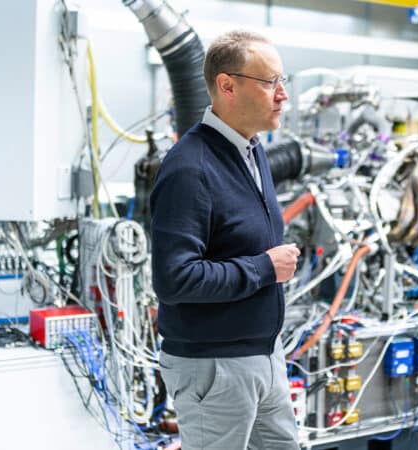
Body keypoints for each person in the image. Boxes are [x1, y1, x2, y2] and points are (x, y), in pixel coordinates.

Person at [150, 30, 300, 450]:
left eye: (284, 81)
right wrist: (264, 268)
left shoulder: (252, 152)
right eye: (270, 82)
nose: (283, 95)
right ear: (227, 85)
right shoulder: (190, 168)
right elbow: (174, 279)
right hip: (213, 367)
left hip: (264, 358)